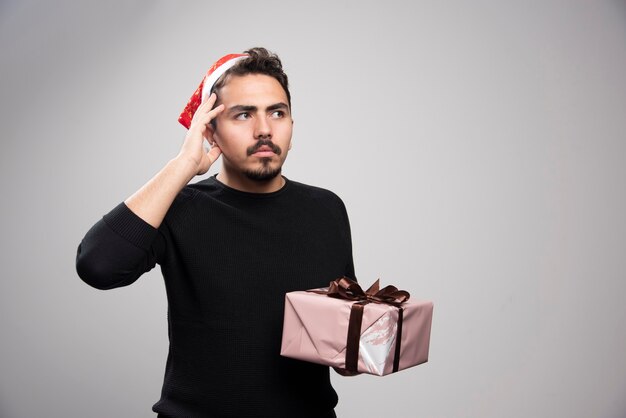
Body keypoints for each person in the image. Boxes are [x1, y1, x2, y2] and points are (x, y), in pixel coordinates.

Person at [76, 47, 355, 418]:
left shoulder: (327, 209)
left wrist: (357, 348)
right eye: (243, 115)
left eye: (277, 112)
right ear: (211, 128)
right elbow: (98, 266)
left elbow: (340, 328)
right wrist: (184, 165)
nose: (265, 130)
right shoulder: (180, 207)